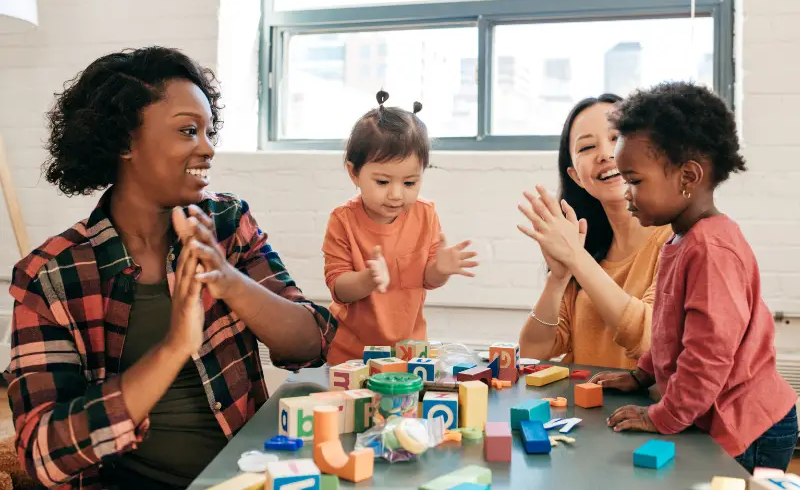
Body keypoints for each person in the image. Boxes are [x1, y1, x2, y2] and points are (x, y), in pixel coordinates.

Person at [3, 47, 337, 490]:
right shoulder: (51, 277)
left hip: (251, 476)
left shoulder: (227, 224)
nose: (208, 148)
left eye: (208, 131)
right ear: (125, 141)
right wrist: (174, 346)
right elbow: (44, 455)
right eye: (188, 131)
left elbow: (313, 343)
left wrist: (228, 280)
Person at [585, 82, 797, 473]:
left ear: (688, 176)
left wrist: (661, 416)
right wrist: (643, 372)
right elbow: (671, 330)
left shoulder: (711, 250)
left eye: (634, 180)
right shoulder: (682, 237)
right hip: (715, 413)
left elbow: (708, 356)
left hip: (748, 425)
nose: (626, 193)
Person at [322, 90, 478, 365]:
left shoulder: (426, 214)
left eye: (409, 183)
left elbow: (427, 279)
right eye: (382, 182)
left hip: (410, 353)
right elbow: (338, 287)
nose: (396, 195)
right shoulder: (343, 220)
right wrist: (367, 280)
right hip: (351, 356)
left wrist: (440, 269)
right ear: (354, 173)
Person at [517, 95, 672, 369]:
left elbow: (650, 341)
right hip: (583, 410)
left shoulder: (675, 241)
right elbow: (532, 352)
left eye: (617, 138)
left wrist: (576, 257)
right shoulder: (587, 247)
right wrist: (559, 278)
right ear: (576, 176)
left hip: (643, 412)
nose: (605, 154)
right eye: (587, 146)